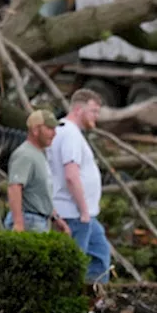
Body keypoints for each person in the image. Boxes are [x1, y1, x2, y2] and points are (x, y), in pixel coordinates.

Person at [47, 88, 112, 284]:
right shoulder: (70, 134)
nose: (96, 117)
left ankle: (95, 303)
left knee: (100, 257)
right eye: (93, 111)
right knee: (74, 267)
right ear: (78, 109)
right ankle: (78, 304)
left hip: (85, 215)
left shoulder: (66, 133)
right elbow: (71, 175)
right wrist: (84, 211)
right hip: (74, 214)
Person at [5, 109, 70, 234]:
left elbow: (40, 193)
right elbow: (14, 188)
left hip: (40, 221)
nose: (54, 134)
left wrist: (56, 219)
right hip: (29, 221)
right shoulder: (25, 154)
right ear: (35, 130)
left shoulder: (39, 154)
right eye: (50, 129)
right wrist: (18, 223)